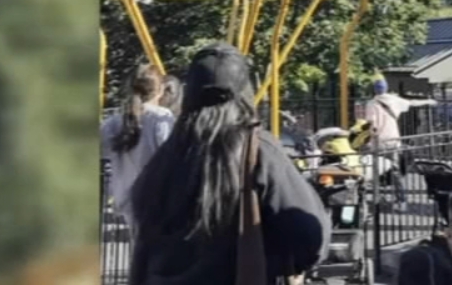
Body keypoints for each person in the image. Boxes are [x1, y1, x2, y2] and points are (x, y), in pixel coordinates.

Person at [129, 43, 329, 285]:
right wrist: (285, 263)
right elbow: (308, 233)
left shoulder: (168, 155)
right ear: (244, 93)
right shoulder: (257, 150)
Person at [101, 64, 175, 231]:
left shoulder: (114, 122)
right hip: (156, 199)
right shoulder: (162, 117)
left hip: (126, 199)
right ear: (160, 89)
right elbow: (171, 155)